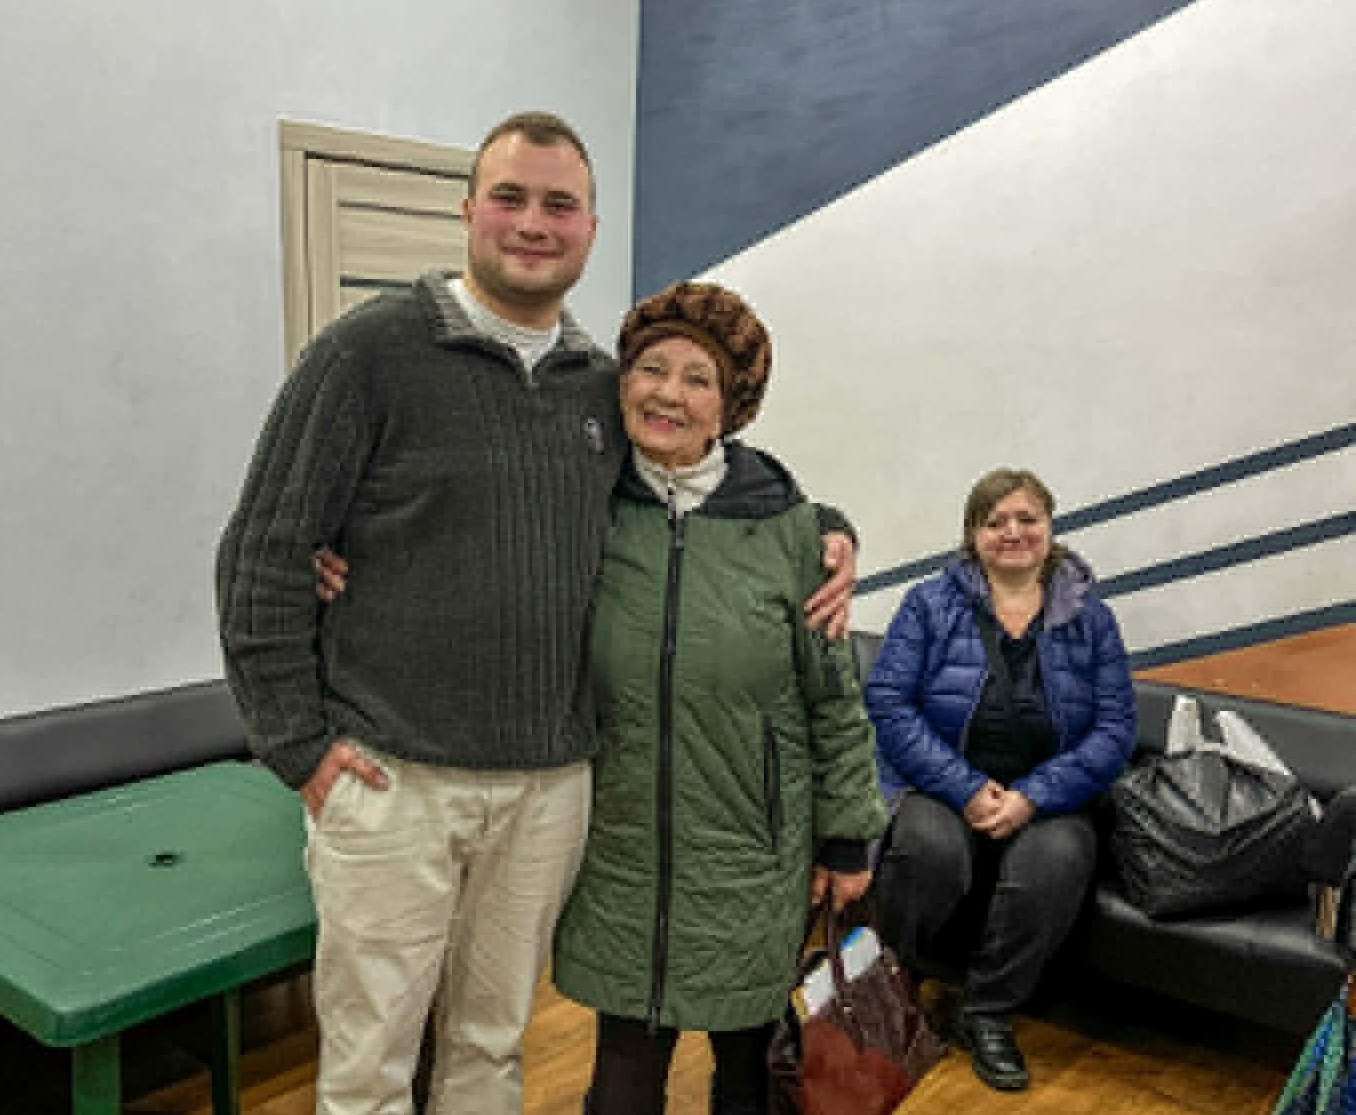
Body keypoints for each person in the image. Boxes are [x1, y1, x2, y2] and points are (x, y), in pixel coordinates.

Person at [215, 111, 857, 1115]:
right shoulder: (365, 354)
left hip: (548, 788)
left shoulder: (599, 387)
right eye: (509, 197)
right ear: (467, 209)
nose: (532, 222)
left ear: (591, 229)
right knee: (370, 1063)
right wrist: (295, 743)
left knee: (490, 1043)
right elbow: (263, 553)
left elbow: (708, 476)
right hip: (394, 777)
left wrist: (830, 531)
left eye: (559, 204)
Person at [547, 282, 888, 1115]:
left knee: (749, 1084)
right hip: (620, 853)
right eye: (651, 368)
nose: (669, 392)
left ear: (730, 405)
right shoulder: (584, 505)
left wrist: (846, 838)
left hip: (754, 856)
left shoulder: (790, 529)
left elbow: (833, 699)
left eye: (697, 377)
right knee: (621, 1091)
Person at [863, 468, 1136, 1093]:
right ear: (973, 535)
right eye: (995, 522)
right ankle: (891, 990)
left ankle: (985, 1013)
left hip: (1049, 798)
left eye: (1027, 519)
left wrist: (1033, 795)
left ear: (1050, 528)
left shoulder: (1093, 619)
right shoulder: (928, 604)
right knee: (928, 848)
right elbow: (889, 703)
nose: (1013, 532)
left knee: (1058, 859)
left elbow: (1116, 729)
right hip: (937, 787)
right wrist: (964, 788)